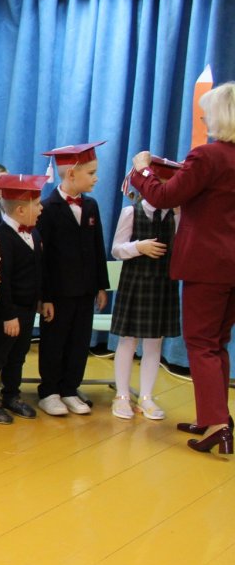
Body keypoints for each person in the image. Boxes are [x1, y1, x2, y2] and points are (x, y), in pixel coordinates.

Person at [130, 81, 235, 455]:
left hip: (207, 264)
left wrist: (142, 172)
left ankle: (217, 425)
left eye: (207, 113)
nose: (204, 118)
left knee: (201, 343)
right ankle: (216, 416)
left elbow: (163, 196)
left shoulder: (207, 156)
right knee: (217, 343)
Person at [36, 142, 110, 417]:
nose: (96, 178)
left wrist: (100, 285)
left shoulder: (91, 206)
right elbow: (42, 258)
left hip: (85, 289)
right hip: (58, 292)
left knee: (79, 342)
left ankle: (70, 389)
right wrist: (45, 297)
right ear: (71, 174)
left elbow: (98, 246)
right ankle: (50, 391)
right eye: (91, 173)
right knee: (55, 342)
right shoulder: (47, 208)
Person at [109, 157, 181, 421]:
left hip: (163, 283)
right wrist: (138, 247)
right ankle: (122, 395)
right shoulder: (131, 212)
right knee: (128, 340)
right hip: (136, 281)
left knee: (155, 342)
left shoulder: (176, 215)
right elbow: (117, 249)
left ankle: (147, 396)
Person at [0, 174, 47, 424]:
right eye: (37, 204)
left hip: (27, 308)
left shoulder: (34, 234)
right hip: (7, 311)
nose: (41, 208)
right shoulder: (2, 236)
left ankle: (11, 394)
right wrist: (8, 315)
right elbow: (1, 280)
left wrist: (40, 299)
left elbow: (37, 270)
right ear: (20, 210)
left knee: (19, 354)